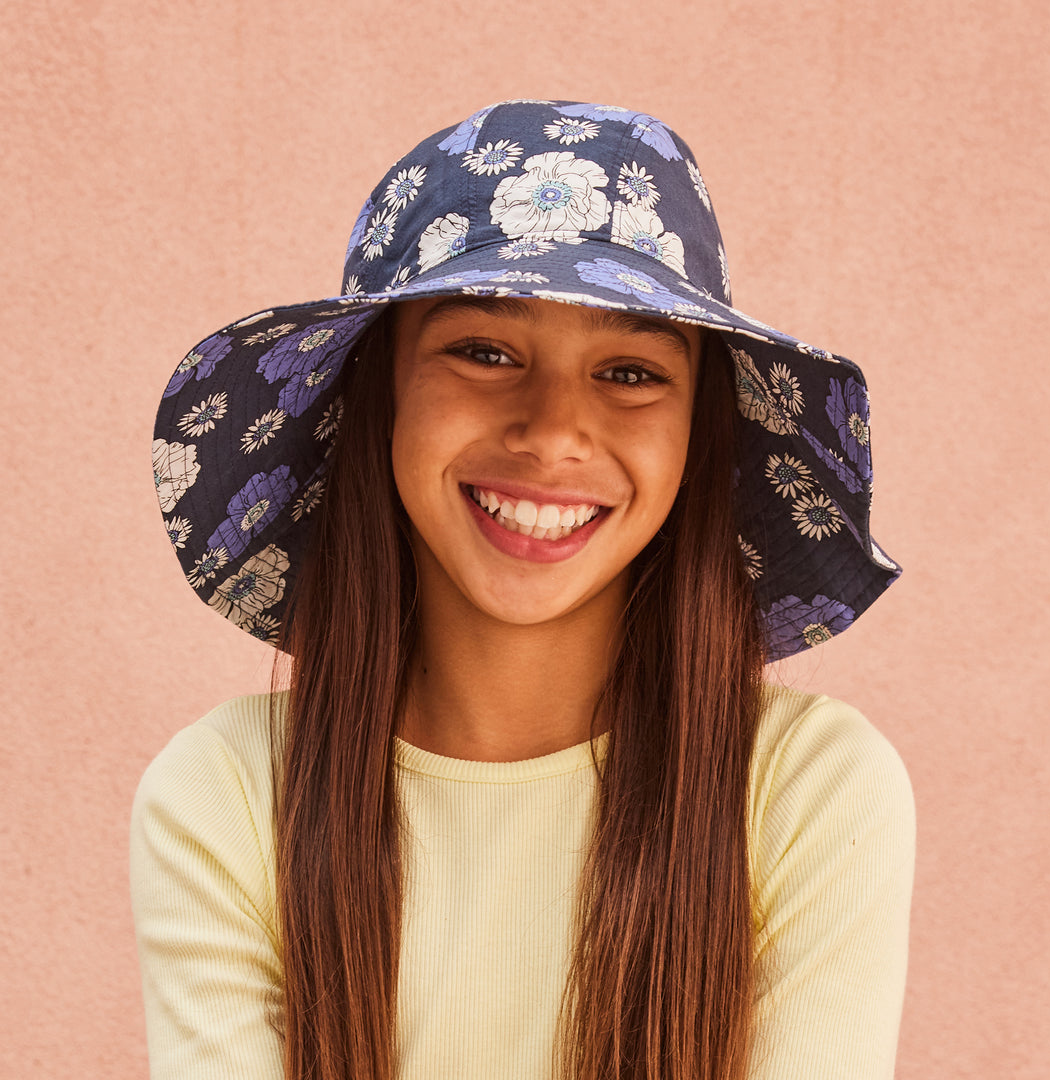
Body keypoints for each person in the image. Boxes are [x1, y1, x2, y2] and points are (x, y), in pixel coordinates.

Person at [133, 99, 915, 1080]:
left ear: (698, 437)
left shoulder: (808, 792)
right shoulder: (228, 795)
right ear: (379, 396)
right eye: (485, 352)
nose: (552, 433)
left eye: (629, 371)